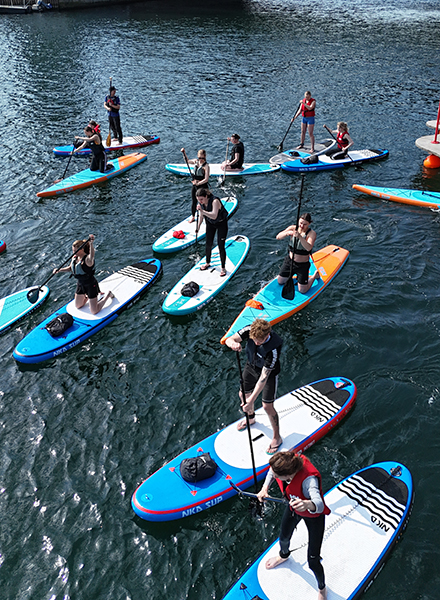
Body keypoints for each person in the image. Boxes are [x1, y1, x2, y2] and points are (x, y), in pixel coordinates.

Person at [257, 451, 330, 600]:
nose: (275, 477)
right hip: (293, 509)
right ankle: (284, 555)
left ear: (289, 475)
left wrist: (306, 503)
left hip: (313, 516)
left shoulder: (309, 480)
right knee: (283, 538)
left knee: (313, 561)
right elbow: (272, 470)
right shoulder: (284, 464)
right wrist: (265, 488)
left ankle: (322, 589)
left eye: (278, 476)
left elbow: (320, 505)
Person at [225, 318, 283, 455]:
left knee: (267, 406)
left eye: (259, 341)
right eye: (254, 340)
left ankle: (277, 437)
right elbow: (228, 339)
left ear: (267, 336)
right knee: (243, 395)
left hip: (268, 374)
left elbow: (263, 378)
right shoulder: (249, 330)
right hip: (251, 366)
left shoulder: (273, 348)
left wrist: (251, 401)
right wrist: (233, 344)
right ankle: (250, 418)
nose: (256, 343)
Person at [52, 234, 114, 315]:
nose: (73, 253)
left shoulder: (88, 260)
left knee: (94, 311)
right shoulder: (75, 258)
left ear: (81, 249)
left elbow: (92, 255)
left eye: (75, 251)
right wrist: (59, 270)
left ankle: (107, 295)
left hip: (91, 285)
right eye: (73, 250)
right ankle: (89, 297)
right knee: (78, 306)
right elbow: (71, 268)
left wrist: (91, 243)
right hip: (80, 284)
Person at [276, 212, 320, 294]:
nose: (302, 226)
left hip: (302, 265)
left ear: (309, 224)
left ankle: (314, 276)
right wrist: (287, 233)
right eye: (300, 223)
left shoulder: (311, 233)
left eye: (305, 224)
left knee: (302, 290)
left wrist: (299, 236)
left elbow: (308, 247)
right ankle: (294, 276)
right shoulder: (293, 228)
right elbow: (278, 237)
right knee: (280, 281)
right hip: (290, 261)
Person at [196, 187, 229, 276]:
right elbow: (201, 215)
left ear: (206, 196)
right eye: (198, 200)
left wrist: (202, 211)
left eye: (202, 199)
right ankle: (207, 262)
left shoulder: (215, 201)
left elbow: (214, 215)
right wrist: (198, 228)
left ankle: (223, 268)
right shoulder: (201, 203)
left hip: (221, 223)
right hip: (210, 224)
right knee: (208, 243)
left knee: (220, 245)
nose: (200, 201)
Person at [180, 148, 210, 223]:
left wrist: (198, 183)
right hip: (195, 185)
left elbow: (206, 179)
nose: (201, 159)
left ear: (205, 157)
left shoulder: (206, 166)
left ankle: (206, 216)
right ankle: (193, 216)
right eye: (200, 158)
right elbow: (187, 161)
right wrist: (184, 153)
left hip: (202, 186)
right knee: (194, 201)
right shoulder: (195, 161)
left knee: (203, 202)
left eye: (202, 158)